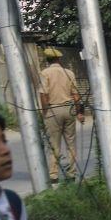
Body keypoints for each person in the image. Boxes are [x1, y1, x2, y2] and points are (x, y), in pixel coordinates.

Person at [37, 48, 83, 183]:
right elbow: (76, 95)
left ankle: (54, 175)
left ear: (47, 60)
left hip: (53, 110)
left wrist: (45, 112)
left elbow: (43, 94)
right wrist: (79, 112)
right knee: (71, 143)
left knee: (54, 144)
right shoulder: (69, 73)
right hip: (69, 110)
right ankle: (71, 174)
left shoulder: (44, 73)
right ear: (59, 59)